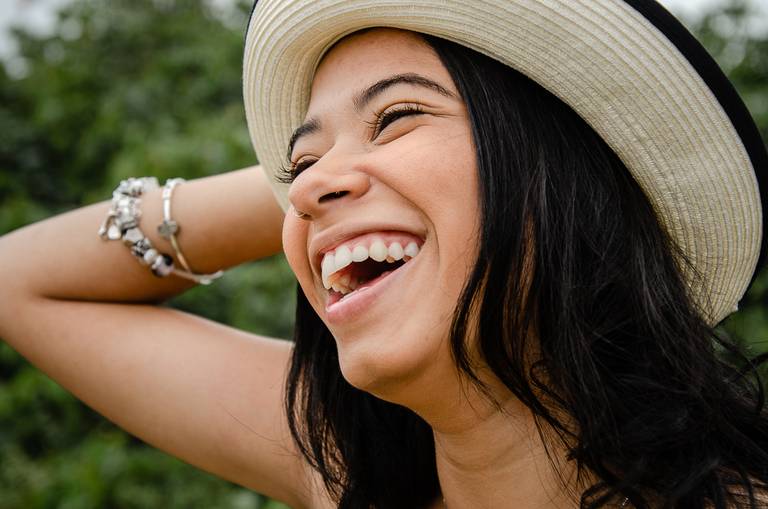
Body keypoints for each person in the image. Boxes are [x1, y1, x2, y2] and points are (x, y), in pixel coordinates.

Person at [0, 0, 767, 507]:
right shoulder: (348, 469)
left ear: (561, 177)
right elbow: (18, 281)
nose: (304, 191)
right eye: (297, 169)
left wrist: (344, 181)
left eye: (398, 114)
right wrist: (312, 188)